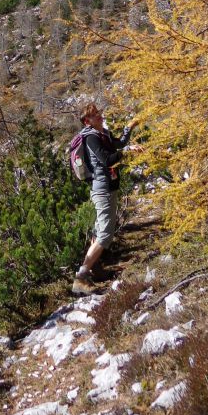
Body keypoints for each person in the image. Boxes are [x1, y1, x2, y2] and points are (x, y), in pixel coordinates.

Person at [72, 101, 138, 296]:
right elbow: (108, 159)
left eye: (99, 112)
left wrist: (129, 128)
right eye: (95, 115)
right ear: (87, 121)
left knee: (100, 230)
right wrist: (126, 152)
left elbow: (119, 144)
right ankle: (81, 277)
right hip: (102, 189)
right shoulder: (92, 138)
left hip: (109, 187)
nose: (100, 116)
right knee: (105, 234)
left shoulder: (104, 134)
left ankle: (94, 268)